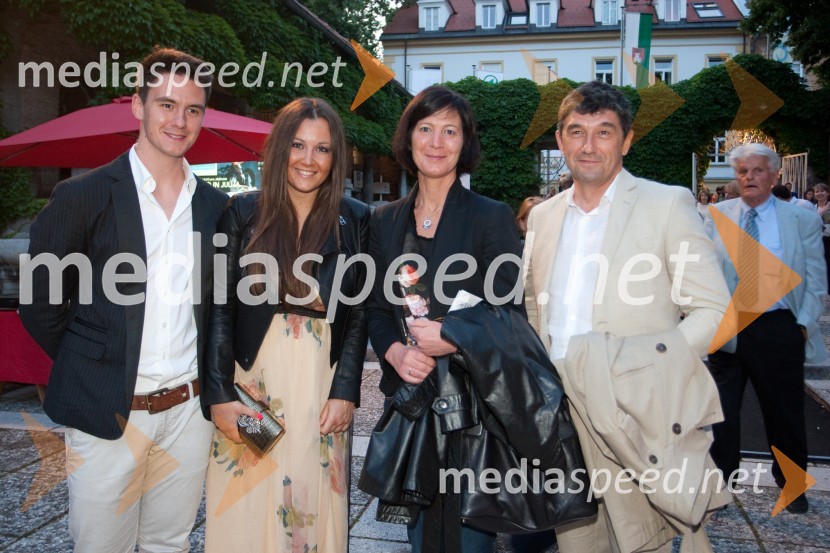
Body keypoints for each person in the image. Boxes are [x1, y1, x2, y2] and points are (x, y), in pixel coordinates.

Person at [19, 48, 228, 552]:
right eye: (166, 105)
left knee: (169, 543)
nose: (179, 121)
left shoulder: (217, 208)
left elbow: (219, 307)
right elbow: (40, 303)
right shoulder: (83, 196)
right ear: (138, 105)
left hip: (188, 415)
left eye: (193, 109)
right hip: (108, 412)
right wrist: (94, 363)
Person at [523, 81, 731, 552]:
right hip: (563, 412)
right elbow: (535, 306)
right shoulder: (542, 216)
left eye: (603, 132)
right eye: (576, 132)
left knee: (644, 539)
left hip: (636, 409)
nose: (588, 145)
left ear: (627, 140)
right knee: (578, 540)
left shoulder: (667, 204)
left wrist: (640, 367)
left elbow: (713, 310)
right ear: (560, 140)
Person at [202, 98, 369, 552]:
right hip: (252, 382)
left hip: (320, 386)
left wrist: (346, 390)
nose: (308, 159)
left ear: (335, 157)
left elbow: (358, 314)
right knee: (246, 503)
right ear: (280, 148)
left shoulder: (355, 219)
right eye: (298, 145)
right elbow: (219, 308)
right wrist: (218, 395)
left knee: (309, 505)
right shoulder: (242, 212)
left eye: (322, 148)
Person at [366, 85, 524, 552]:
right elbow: (375, 308)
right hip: (414, 401)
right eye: (426, 129)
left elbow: (510, 312)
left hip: (473, 406)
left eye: (450, 131)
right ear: (408, 138)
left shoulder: (490, 217)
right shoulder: (384, 220)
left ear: (465, 142)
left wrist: (453, 336)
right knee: (421, 536)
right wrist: (395, 352)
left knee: (469, 535)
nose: (436, 142)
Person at [706, 144, 827, 515]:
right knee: (721, 413)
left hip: (778, 328)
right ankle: (721, 485)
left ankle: (792, 486)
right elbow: (704, 268)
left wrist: (802, 326)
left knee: (784, 413)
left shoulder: (800, 218)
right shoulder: (717, 215)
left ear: (774, 176)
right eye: (743, 171)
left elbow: (815, 278)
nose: (749, 177)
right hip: (729, 326)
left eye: (758, 171)